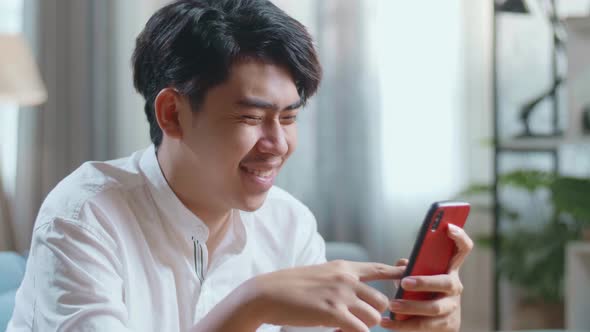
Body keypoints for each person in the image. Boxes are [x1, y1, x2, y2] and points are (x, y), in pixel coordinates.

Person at [8, 0, 473, 331]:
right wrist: (252, 302)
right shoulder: (85, 214)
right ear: (172, 113)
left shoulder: (287, 222)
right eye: (251, 117)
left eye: (289, 117)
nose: (278, 144)